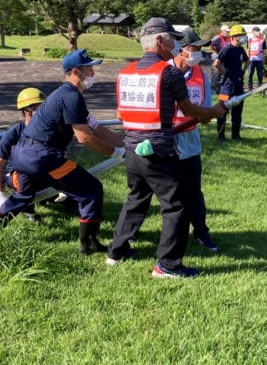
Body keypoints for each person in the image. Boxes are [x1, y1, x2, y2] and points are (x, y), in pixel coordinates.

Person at [107, 17, 227, 278]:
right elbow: (190, 110)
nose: (175, 44)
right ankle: (168, 265)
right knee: (177, 205)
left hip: (131, 148)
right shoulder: (168, 72)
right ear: (159, 41)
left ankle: (116, 251)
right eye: (172, 39)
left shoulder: (125, 73)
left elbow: (120, 112)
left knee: (136, 199)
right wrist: (215, 110)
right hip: (159, 150)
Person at [0, 49, 126, 255]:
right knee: (91, 191)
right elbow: (84, 138)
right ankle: (88, 244)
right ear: (75, 71)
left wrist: (126, 144)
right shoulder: (72, 97)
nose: (93, 74)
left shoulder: (63, 95)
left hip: (22, 154)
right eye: (89, 69)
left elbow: (96, 128)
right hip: (43, 156)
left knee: (24, 195)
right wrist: (116, 152)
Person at [171, 28, 219, 252]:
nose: (198, 53)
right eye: (194, 48)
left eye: (201, 49)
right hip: (167, 145)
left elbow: (207, 110)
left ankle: (201, 233)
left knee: (194, 195)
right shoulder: (166, 73)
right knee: (164, 196)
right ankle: (132, 236)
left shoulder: (200, 74)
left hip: (191, 145)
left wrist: (208, 115)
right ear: (181, 50)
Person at [0, 87, 46, 222]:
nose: (46, 112)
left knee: (73, 199)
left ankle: (49, 198)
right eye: (41, 108)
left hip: (44, 171)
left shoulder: (49, 130)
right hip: (18, 175)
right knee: (26, 185)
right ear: (27, 110)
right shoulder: (13, 134)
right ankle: (25, 209)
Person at [214, 24, 249, 141]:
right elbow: (216, 63)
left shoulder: (241, 50)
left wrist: (243, 71)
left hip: (238, 84)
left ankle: (236, 135)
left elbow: (247, 61)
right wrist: (224, 73)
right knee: (223, 109)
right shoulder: (227, 49)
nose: (243, 38)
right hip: (227, 85)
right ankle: (221, 136)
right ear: (234, 37)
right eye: (241, 35)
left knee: (238, 110)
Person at [210, 24, 231, 92]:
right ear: (222, 31)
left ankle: (219, 89)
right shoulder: (217, 38)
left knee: (222, 74)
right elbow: (211, 45)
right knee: (216, 73)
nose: (228, 33)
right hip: (216, 58)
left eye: (228, 32)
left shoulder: (227, 38)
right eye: (226, 31)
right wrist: (216, 51)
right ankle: (212, 89)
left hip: (224, 59)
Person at [246, 26, 267, 91]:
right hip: (251, 59)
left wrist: (264, 57)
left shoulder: (262, 40)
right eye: (256, 31)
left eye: (258, 31)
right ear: (253, 32)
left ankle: (259, 86)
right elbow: (248, 49)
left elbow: (264, 50)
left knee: (260, 74)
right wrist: (247, 58)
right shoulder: (249, 40)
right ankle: (250, 86)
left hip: (259, 59)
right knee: (250, 74)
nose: (258, 32)